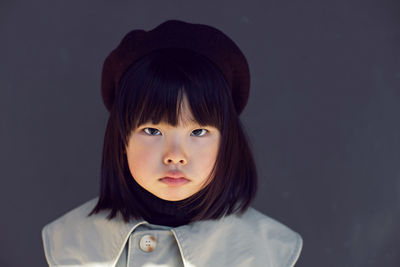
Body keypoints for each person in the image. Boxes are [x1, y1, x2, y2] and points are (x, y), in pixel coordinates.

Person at [41, 19, 303, 267]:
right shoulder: (70, 241)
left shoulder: (266, 252)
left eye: (198, 132)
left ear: (227, 143)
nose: (175, 156)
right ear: (122, 138)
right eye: (153, 130)